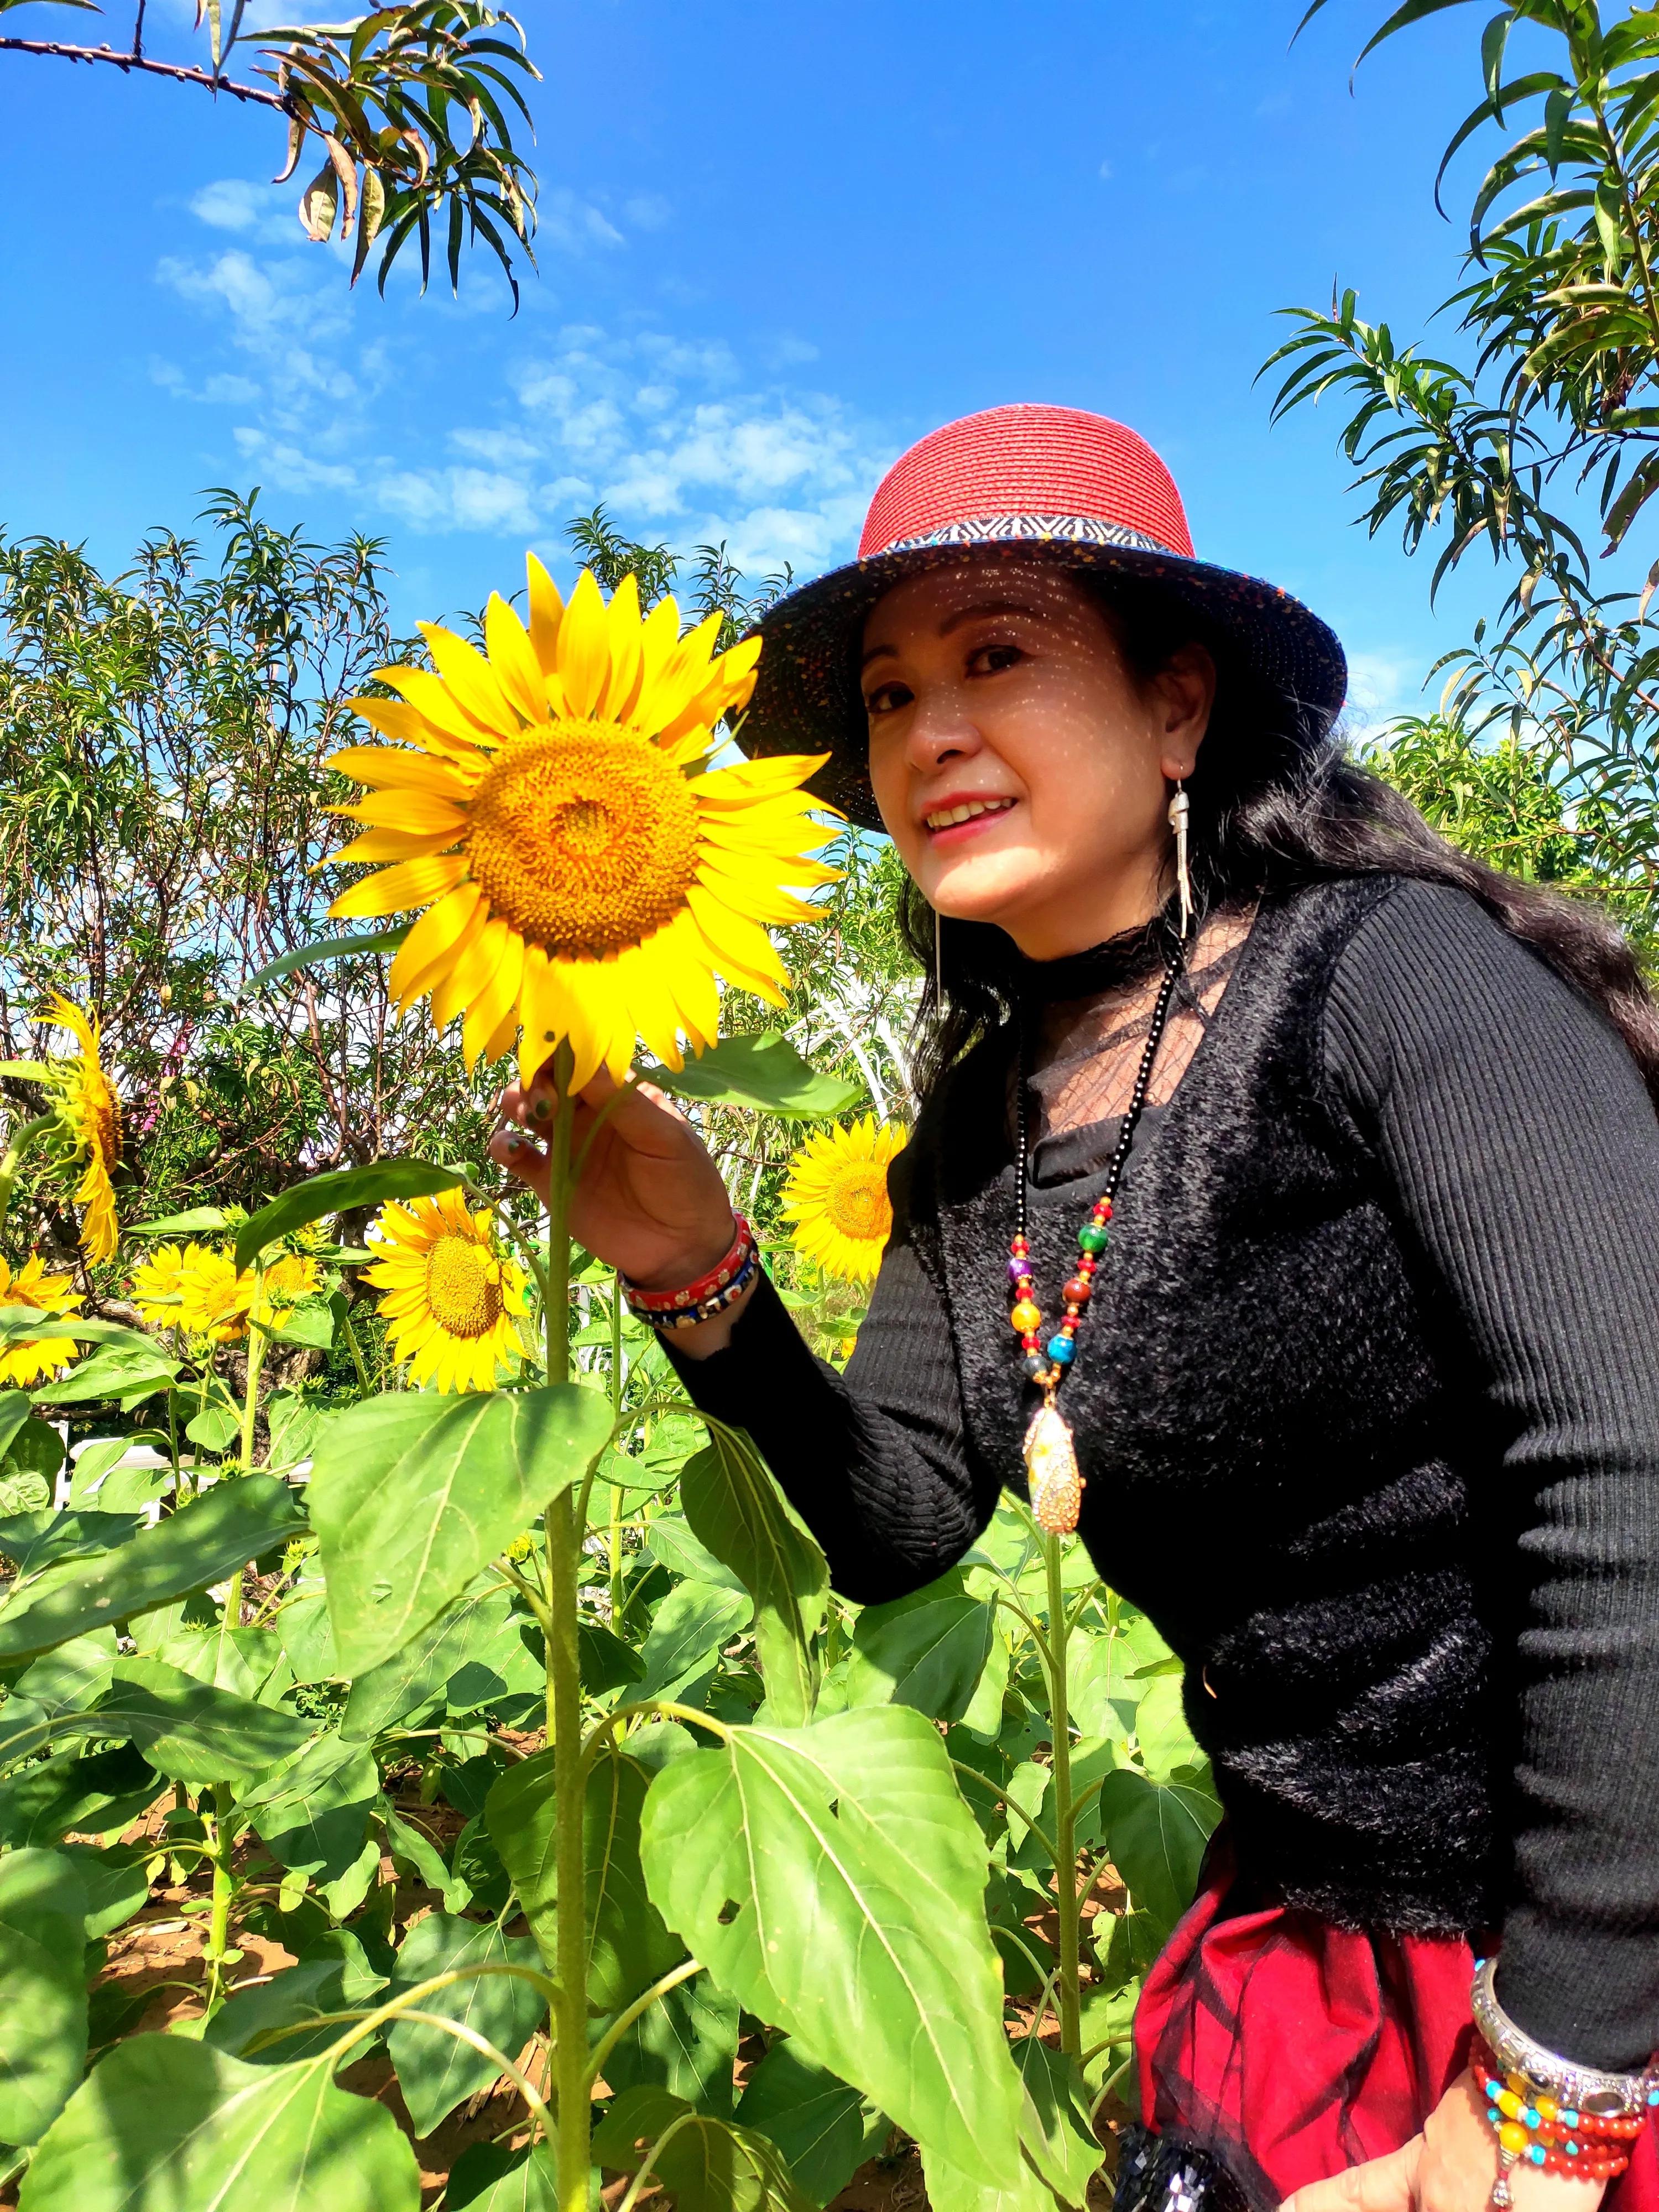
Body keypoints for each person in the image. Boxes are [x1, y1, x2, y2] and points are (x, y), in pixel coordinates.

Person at [491, 404, 1659, 2212]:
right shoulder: (988, 1112)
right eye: (887, 694)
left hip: (1581, 1953)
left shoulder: (1384, 978)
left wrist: (1551, 2093)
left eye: (998, 656)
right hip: (1302, 1950)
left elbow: (1634, 1473)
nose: (928, 732)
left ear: (1179, 704)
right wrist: (695, 1274)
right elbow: (903, 1518)